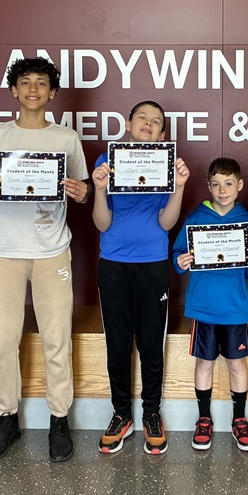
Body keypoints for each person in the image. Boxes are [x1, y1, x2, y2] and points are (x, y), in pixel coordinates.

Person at [0, 57, 90, 463]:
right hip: (3, 250)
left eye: (41, 83)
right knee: (4, 340)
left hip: (52, 250)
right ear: (14, 91)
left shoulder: (67, 139)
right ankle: (6, 418)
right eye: (25, 82)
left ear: (52, 93)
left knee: (57, 340)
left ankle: (58, 419)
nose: (33, 89)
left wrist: (82, 193)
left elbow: (84, 191)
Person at [91, 101, 190, 456]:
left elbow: (166, 223)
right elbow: (101, 223)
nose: (148, 125)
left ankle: (151, 414)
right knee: (117, 344)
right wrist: (100, 190)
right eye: (142, 119)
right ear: (128, 123)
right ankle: (121, 414)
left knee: (151, 344)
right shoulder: (106, 162)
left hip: (153, 264)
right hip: (113, 265)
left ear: (163, 134)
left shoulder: (166, 165)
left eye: (156, 122)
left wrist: (178, 186)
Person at [172, 158, 248, 452]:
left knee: (237, 364)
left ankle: (239, 419)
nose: (222, 190)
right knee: (205, 362)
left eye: (228, 184)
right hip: (203, 306)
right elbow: (178, 258)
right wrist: (181, 261)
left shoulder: (246, 221)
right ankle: (204, 418)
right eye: (216, 184)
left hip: (235, 307)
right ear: (208, 186)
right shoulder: (196, 218)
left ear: (239, 185)